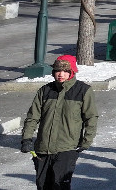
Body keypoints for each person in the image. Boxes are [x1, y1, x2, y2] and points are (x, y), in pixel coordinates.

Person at [20, 55, 98, 190]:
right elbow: (33, 116)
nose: (61, 74)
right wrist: (26, 138)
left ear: (71, 72)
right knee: (43, 185)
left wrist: (87, 140)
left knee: (60, 184)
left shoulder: (83, 90)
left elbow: (91, 117)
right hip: (43, 148)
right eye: (57, 70)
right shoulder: (45, 90)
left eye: (65, 71)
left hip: (67, 147)